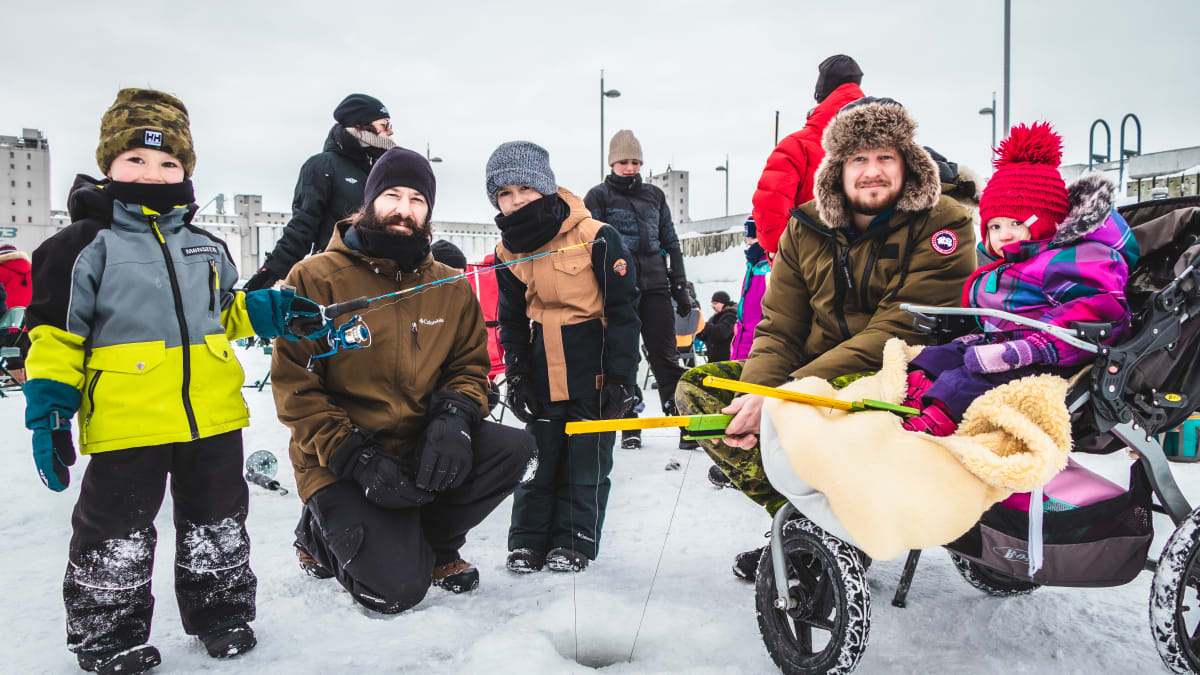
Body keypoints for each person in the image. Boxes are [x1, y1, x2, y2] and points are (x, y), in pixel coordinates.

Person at [23, 89, 325, 674]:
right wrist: (50, 412)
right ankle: (109, 637)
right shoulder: (81, 245)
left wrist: (270, 311)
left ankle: (222, 614)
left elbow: (225, 312)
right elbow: (55, 336)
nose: (153, 173)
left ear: (186, 170)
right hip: (126, 419)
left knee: (218, 520)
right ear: (109, 164)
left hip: (211, 416)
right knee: (116, 532)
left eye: (169, 163)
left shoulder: (206, 246)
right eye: (135, 159)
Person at [675, 98, 978, 579]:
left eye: (885, 157)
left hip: (891, 379)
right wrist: (755, 396)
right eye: (859, 159)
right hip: (805, 379)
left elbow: (901, 326)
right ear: (838, 167)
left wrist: (787, 392)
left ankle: (844, 530)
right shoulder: (805, 225)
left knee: (824, 411)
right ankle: (812, 528)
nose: (872, 171)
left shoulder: (944, 222)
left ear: (907, 163)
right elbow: (780, 326)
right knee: (699, 392)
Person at [272, 147, 537, 613]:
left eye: (417, 199)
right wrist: (353, 456)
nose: (404, 209)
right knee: (395, 593)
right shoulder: (314, 278)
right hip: (341, 457)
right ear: (370, 200)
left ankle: (436, 545)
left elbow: (470, 366)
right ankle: (316, 531)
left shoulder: (449, 284)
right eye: (392, 195)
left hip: (418, 447)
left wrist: (453, 418)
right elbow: (296, 387)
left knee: (513, 449)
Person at [902, 123, 1137, 435]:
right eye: (994, 227)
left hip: (1050, 354)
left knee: (972, 378)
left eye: (1015, 222)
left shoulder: (1072, 259)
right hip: (1002, 340)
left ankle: (938, 419)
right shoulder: (1011, 262)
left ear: (1047, 222)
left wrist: (1034, 347)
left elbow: (1098, 309)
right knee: (938, 356)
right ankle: (918, 394)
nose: (1004, 235)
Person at [489, 141, 640, 573]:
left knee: (586, 457)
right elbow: (512, 320)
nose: (515, 200)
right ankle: (527, 542)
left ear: (544, 187)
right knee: (540, 455)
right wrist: (516, 373)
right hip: (542, 361)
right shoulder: (506, 252)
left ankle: (574, 540)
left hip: (591, 360)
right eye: (504, 193)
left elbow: (624, 312)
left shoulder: (596, 236)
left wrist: (621, 378)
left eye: (524, 189)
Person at [585, 130, 694, 448]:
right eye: (623, 162)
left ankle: (684, 423)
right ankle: (629, 425)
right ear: (612, 163)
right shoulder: (598, 197)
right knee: (625, 358)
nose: (630, 167)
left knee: (666, 358)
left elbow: (670, 241)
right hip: (619, 290)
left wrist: (680, 286)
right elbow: (591, 246)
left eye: (635, 161)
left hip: (656, 285)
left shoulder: (655, 196)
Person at [244, 93, 394, 290]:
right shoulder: (323, 166)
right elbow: (302, 228)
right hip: (337, 279)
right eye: (385, 125)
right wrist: (268, 275)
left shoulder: (381, 172)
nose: (390, 133)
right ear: (360, 126)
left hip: (380, 280)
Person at [751, 55, 865, 256]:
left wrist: (785, 256)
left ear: (820, 94)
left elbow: (770, 210)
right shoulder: (887, 147)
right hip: (877, 271)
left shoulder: (796, 147)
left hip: (813, 268)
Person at [730, 216, 770, 360]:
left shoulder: (769, 266)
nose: (749, 243)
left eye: (753, 238)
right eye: (748, 238)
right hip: (743, 345)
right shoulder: (752, 266)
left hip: (759, 348)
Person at [0, 243, 30, 381]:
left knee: (10, 348)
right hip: (28, 322)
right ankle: (22, 377)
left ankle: (13, 378)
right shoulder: (31, 269)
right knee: (25, 351)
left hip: (6, 325)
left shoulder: (1, 271)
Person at [697, 291, 737, 363]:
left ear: (723, 303)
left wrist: (705, 326)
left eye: (715, 304)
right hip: (714, 359)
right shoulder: (714, 317)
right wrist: (700, 332)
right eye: (712, 304)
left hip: (725, 360)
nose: (713, 306)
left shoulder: (731, 316)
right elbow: (709, 336)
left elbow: (722, 333)